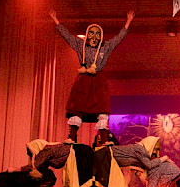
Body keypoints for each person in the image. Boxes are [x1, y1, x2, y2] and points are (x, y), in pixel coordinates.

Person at [50, 9, 134, 144]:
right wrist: (56, 20)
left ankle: (104, 139)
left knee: (102, 109)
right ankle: (72, 137)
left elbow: (118, 39)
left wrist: (128, 22)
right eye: (92, 33)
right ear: (87, 35)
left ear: (101, 36)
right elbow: (67, 36)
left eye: (97, 33)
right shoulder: (80, 46)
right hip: (83, 81)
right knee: (77, 107)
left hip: (98, 81)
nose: (94, 36)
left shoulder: (105, 47)